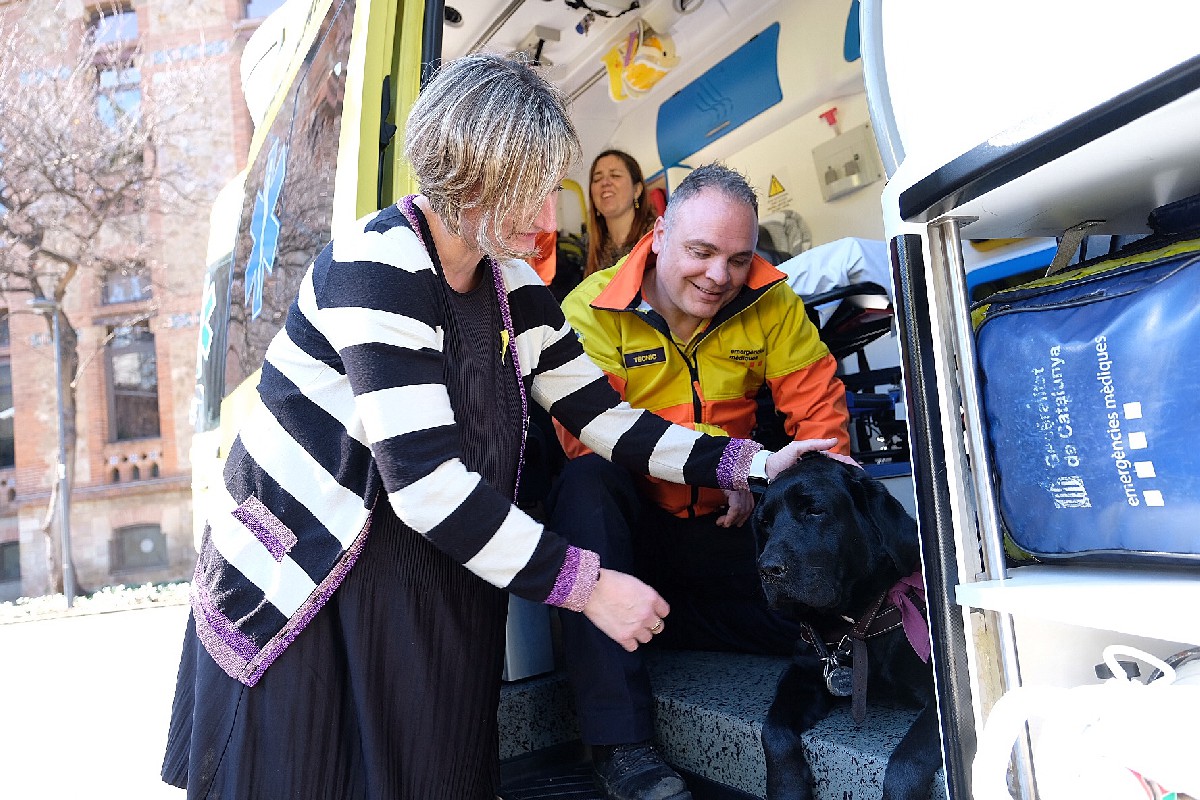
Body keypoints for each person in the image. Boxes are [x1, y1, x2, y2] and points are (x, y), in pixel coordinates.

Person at [160, 55, 825, 800]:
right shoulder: (374, 267)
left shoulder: (514, 285)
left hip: (413, 563)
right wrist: (590, 588)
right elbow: (427, 487)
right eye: (532, 189)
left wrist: (754, 465)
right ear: (474, 177)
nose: (547, 217)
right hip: (312, 574)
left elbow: (605, 418)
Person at [550, 163, 852, 800]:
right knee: (585, 484)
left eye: (738, 259)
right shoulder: (591, 308)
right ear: (660, 234)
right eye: (701, 251)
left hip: (727, 522)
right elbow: (588, 433)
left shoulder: (770, 300)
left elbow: (819, 417)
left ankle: (676, 623)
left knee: (820, 619)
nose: (719, 276)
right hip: (632, 530)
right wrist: (730, 458)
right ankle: (620, 746)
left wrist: (813, 494)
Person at [585, 148, 658, 277]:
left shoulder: (658, 239)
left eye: (615, 175)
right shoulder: (590, 249)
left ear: (637, 190)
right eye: (597, 179)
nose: (605, 183)